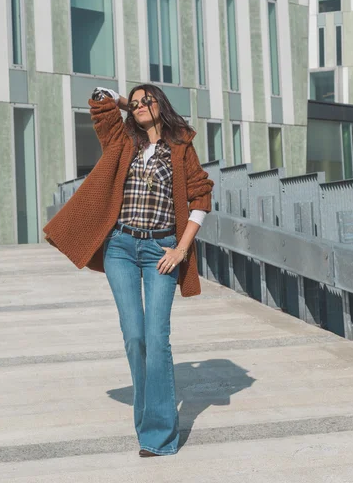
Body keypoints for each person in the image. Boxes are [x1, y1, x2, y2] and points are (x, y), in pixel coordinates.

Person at [43, 84, 214, 457]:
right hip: (120, 246)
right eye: (133, 104)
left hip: (161, 249)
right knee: (135, 336)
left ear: (160, 104)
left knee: (157, 337)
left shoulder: (181, 146)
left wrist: (182, 249)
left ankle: (158, 436)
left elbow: (201, 197)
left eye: (144, 101)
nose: (137, 107)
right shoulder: (124, 141)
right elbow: (100, 111)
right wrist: (121, 102)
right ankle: (148, 421)